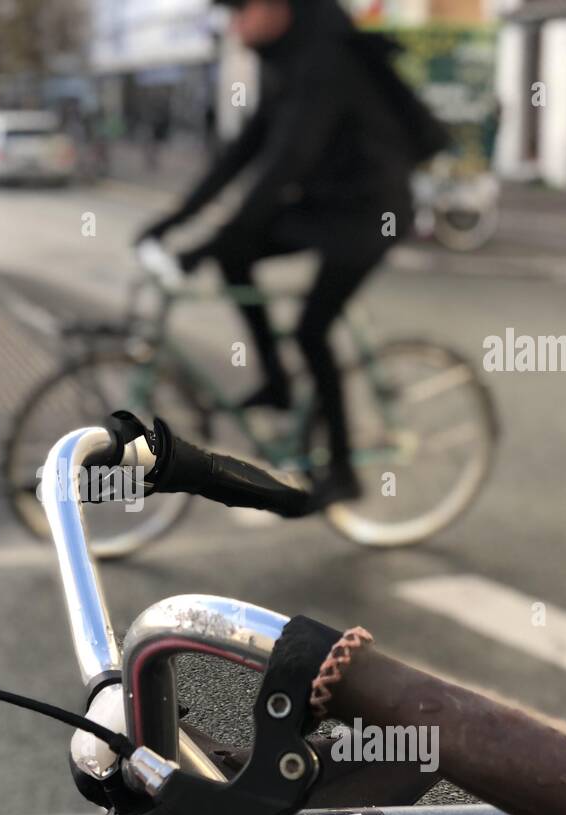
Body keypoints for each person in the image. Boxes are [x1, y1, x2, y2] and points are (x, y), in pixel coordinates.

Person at [138, 0, 447, 503]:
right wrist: (172, 223)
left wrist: (204, 245)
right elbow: (244, 154)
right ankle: (278, 384)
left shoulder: (326, 61)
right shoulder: (286, 59)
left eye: (242, 11)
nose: (236, 26)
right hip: (326, 206)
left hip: (370, 214)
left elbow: (287, 161)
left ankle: (344, 470)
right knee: (233, 256)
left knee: (311, 330)